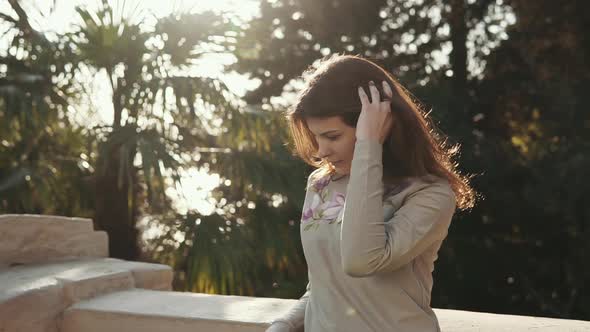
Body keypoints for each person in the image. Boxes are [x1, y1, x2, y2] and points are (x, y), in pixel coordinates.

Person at [265, 54, 476, 332]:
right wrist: (283, 325)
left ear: (379, 124)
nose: (320, 151)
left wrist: (368, 146)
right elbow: (325, 288)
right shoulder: (321, 183)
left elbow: (360, 260)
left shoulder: (430, 195)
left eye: (332, 136)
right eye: (316, 137)